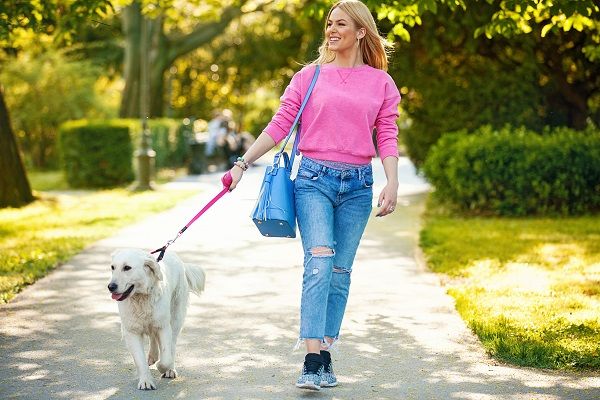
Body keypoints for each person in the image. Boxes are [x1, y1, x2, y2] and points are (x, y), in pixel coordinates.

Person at [228, 0, 401, 391]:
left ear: (361, 32)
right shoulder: (309, 77)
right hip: (313, 180)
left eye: (341, 23)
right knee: (319, 262)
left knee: (340, 272)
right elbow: (280, 123)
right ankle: (310, 359)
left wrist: (392, 181)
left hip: (358, 186)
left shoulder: (381, 84)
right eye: (329, 23)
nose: (331, 29)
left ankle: (325, 351)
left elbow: (386, 134)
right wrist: (242, 163)